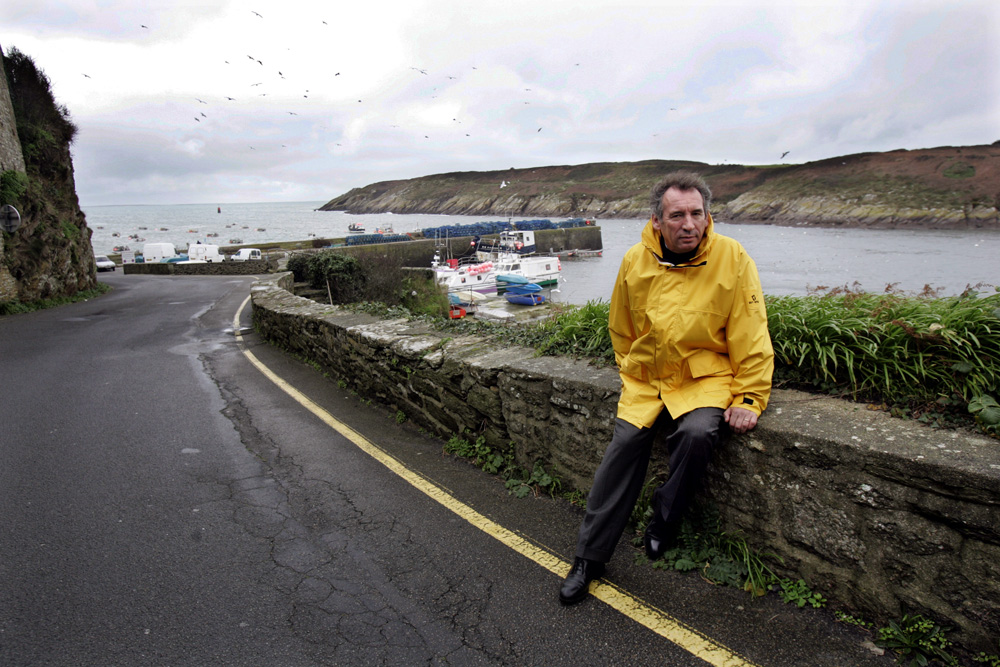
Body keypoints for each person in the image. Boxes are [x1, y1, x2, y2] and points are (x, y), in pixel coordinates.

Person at [559, 171, 774, 605]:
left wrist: (749, 397)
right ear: (657, 220)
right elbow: (621, 327)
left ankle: (664, 521)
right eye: (677, 215)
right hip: (646, 381)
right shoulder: (635, 260)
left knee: (696, 435)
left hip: (704, 380)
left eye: (697, 214)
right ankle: (589, 558)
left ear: (707, 215)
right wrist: (631, 370)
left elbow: (752, 333)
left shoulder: (732, 258)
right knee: (620, 454)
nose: (689, 224)